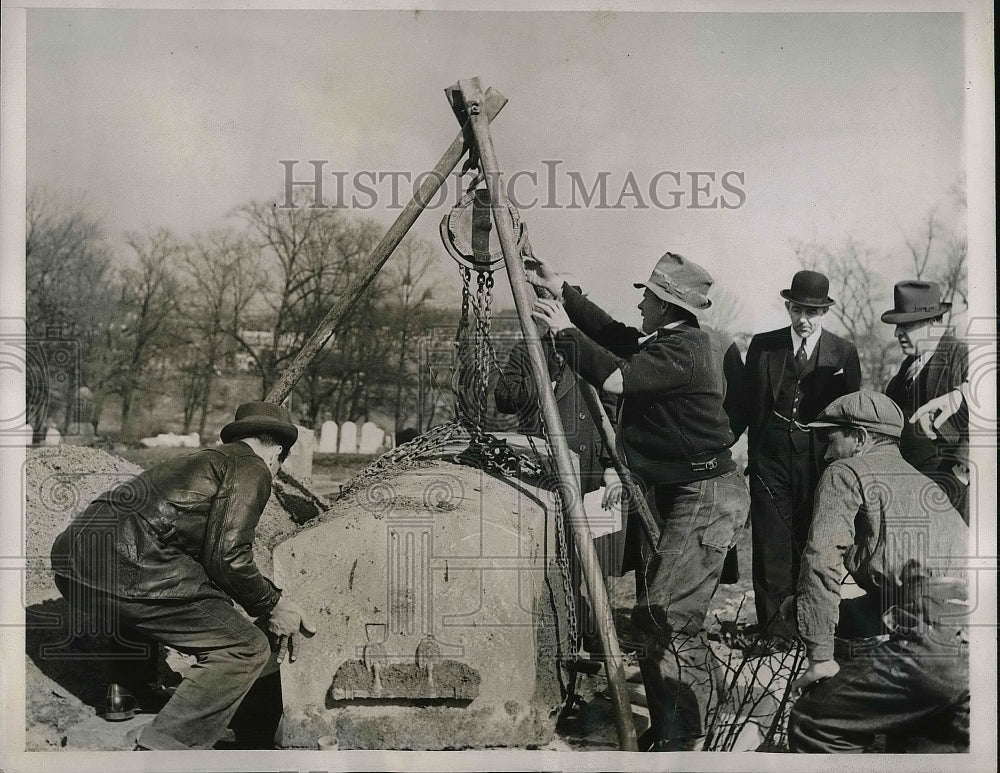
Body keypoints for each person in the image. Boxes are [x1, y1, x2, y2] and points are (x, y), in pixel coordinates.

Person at [528, 250, 749, 751]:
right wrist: (564, 291)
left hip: (705, 494)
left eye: (647, 297)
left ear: (668, 304)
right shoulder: (668, 341)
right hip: (685, 493)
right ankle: (678, 728)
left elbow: (613, 376)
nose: (642, 304)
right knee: (663, 614)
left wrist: (562, 330)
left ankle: (686, 735)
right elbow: (613, 337)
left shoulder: (684, 349)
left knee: (666, 614)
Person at [50, 401, 317, 751]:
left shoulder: (197, 460)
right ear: (278, 452)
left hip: (74, 559)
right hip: (124, 560)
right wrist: (273, 604)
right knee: (243, 647)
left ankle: (127, 693)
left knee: (147, 594)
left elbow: (191, 550)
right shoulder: (251, 468)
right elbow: (228, 557)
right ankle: (169, 741)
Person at [786, 391, 969, 753]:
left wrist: (820, 657)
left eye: (830, 439)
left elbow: (820, 562)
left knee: (814, 722)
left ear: (861, 439)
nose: (825, 453)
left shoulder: (846, 470)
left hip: (933, 645)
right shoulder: (924, 483)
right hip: (973, 645)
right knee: (917, 746)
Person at [742, 270, 861, 646]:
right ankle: (775, 632)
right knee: (770, 544)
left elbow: (849, 414)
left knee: (810, 544)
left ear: (824, 311)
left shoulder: (843, 353)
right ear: (788, 307)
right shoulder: (763, 346)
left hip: (818, 463)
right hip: (770, 459)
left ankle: (808, 626)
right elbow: (747, 405)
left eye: (813, 312)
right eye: (798, 310)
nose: (804, 319)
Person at [882, 280, 969, 523]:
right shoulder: (905, 371)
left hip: (953, 493)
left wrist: (961, 473)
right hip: (910, 494)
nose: (897, 333)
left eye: (906, 325)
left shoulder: (962, 356)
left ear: (934, 322)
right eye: (898, 326)